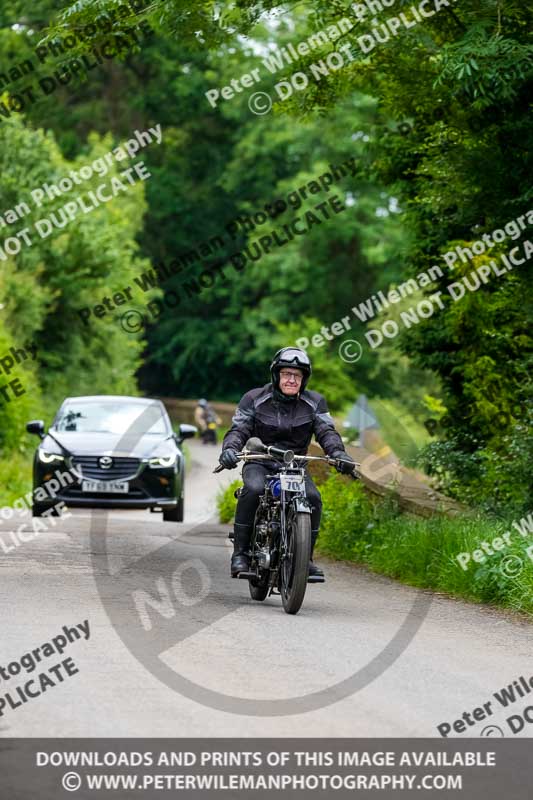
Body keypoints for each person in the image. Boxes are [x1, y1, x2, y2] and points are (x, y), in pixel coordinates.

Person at [219, 347, 355, 579]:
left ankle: (305, 559)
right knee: (253, 489)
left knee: (313, 498)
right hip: (260, 462)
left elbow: (326, 432)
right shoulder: (254, 398)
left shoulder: (315, 403)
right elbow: (239, 429)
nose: (292, 380)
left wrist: (339, 454)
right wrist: (230, 449)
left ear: (304, 379)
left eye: (297, 375)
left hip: (294, 467)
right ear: (276, 375)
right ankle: (240, 554)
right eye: (286, 374)